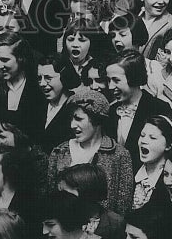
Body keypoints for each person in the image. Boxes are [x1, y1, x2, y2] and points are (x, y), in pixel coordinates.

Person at [47, 88, 135, 216]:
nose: (72, 125)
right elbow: (51, 199)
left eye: (78, 119)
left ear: (97, 119)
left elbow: (122, 208)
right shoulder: (59, 152)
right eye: (71, 119)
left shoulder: (119, 155)